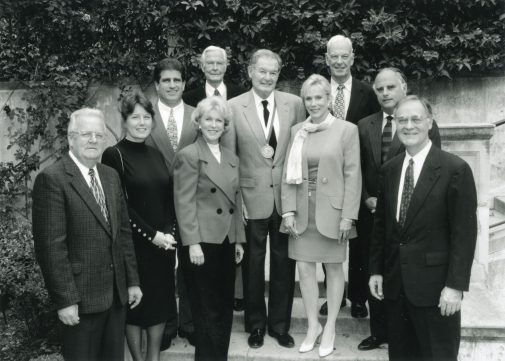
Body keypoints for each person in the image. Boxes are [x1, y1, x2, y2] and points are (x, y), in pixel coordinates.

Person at [369, 95, 477, 361]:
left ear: (429, 123)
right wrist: (376, 270)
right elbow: (382, 225)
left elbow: (464, 234)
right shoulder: (390, 169)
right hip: (396, 288)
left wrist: (455, 285)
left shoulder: (455, 169)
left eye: (416, 119)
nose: (408, 125)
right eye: (402, 119)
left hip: (436, 291)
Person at [32, 108, 142, 361]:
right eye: (85, 134)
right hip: (80, 301)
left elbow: (123, 233)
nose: (93, 140)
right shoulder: (52, 179)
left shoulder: (111, 176)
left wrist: (132, 281)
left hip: (115, 297)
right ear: (71, 138)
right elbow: (51, 249)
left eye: (98, 135)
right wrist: (65, 300)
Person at [221, 49, 305, 349]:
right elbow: (229, 159)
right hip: (250, 199)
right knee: (253, 266)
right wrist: (236, 200)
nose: (268, 77)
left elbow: (299, 151)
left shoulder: (294, 104)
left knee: (284, 264)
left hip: (286, 201)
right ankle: (255, 325)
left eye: (273, 72)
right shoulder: (232, 107)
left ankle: (279, 326)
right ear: (250, 72)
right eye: (262, 71)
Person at [356, 67, 441, 351]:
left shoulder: (419, 124)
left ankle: (403, 333)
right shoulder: (364, 124)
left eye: (390, 87)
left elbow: (430, 173)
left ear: (403, 87)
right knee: (376, 271)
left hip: (407, 218)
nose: (384, 93)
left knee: (403, 275)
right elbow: (358, 168)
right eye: (379, 89)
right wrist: (367, 197)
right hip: (372, 215)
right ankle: (379, 331)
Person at [281, 74, 361, 357]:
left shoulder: (347, 130)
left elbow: (353, 175)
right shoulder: (296, 131)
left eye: (319, 98)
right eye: (309, 98)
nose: (314, 103)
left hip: (333, 213)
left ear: (329, 99)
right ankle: (313, 325)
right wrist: (287, 210)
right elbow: (286, 176)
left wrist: (348, 216)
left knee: (334, 269)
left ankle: (330, 327)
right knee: (304, 269)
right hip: (302, 212)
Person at [101, 93, 177, 361]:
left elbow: (169, 198)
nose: (142, 122)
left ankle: (153, 358)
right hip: (133, 245)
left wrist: (169, 234)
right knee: (136, 306)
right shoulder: (114, 155)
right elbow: (119, 206)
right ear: (124, 121)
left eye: (147, 117)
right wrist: (152, 235)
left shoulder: (156, 154)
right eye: (135, 117)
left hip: (162, 246)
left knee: (159, 303)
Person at [174, 96, 246, 361]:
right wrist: (192, 242)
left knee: (223, 306)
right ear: (199, 123)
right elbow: (184, 203)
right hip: (201, 243)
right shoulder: (189, 155)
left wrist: (239, 239)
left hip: (226, 239)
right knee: (205, 309)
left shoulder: (230, 156)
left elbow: (235, 200)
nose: (214, 125)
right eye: (209, 119)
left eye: (219, 120)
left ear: (225, 125)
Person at [319, 34, 381, 319]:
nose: (340, 61)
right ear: (327, 59)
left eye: (345, 56)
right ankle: (335, 296)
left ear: (353, 58)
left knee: (359, 241)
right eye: (334, 56)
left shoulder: (368, 92)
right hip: (327, 176)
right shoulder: (318, 90)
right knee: (328, 237)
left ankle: (358, 298)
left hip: (358, 176)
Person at [182, 45, 246, 312]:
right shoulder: (190, 97)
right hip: (204, 209)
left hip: (230, 186)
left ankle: (238, 298)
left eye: (221, 62)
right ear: (202, 65)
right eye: (211, 63)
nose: (216, 67)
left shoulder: (241, 94)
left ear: (227, 64)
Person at [145, 57, 198, 347]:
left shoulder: (197, 114)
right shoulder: (145, 116)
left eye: (177, 79)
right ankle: (165, 326)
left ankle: (189, 323)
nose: (172, 85)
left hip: (192, 200)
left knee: (191, 264)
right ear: (156, 85)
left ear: (184, 82)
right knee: (161, 266)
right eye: (166, 80)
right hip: (156, 202)